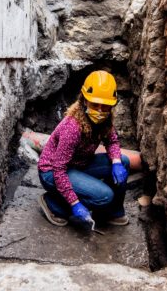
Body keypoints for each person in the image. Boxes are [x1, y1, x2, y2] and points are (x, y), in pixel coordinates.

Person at [37, 70, 131, 228]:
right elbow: (59, 169)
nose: (100, 111)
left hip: (78, 165)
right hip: (52, 172)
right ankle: (54, 203)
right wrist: (75, 203)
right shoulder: (72, 127)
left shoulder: (105, 120)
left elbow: (112, 141)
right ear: (84, 100)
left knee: (124, 161)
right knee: (104, 196)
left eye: (105, 106)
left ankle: (110, 213)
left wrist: (116, 162)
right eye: (95, 104)